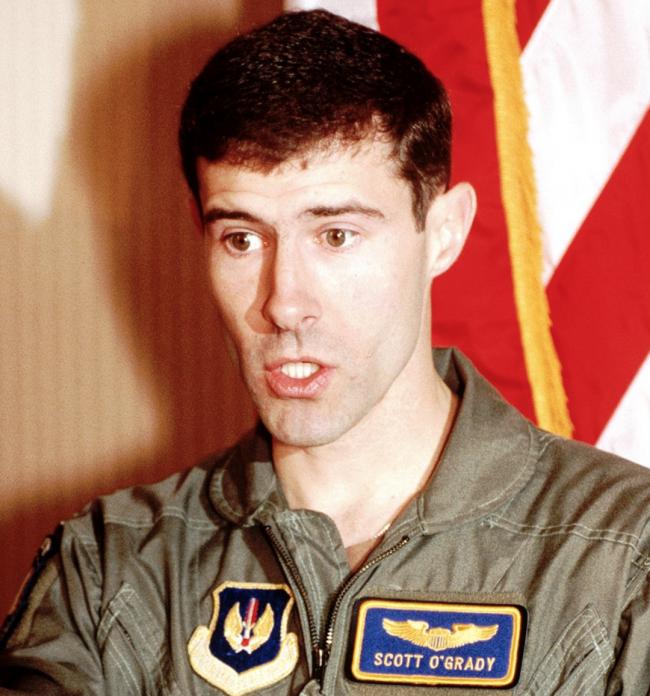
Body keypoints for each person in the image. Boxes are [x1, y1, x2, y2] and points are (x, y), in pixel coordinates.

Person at [1, 9, 649, 695]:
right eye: (242, 240)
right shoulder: (111, 567)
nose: (283, 303)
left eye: (336, 236)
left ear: (445, 232)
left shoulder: (623, 559)